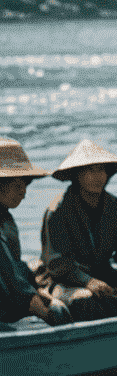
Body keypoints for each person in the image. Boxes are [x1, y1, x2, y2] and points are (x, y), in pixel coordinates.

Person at [40, 140, 117, 320]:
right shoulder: (58, 211)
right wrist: (88, 282)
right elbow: (58, 264)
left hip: (102, 275)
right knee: (85, 302)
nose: (97, 176)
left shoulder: (113, 204)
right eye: (90, 170)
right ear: (77, 175)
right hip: (65, 282)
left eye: (101, 170)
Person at [0, 137, 68, 326]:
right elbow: (9, 274)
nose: (23, 193)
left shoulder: (5, 217)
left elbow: (14, 265)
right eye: (17, 186)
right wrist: (42, 309)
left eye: (25, 185)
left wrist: (39, 289)